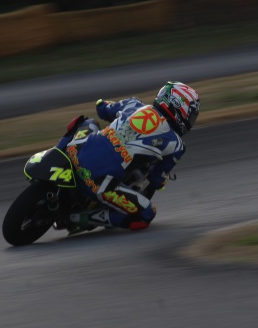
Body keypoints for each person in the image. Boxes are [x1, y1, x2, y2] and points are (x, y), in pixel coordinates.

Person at [56, 81, 200, 231]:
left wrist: (104, 104)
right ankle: (77, 219)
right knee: (147, 214)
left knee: (88, 122)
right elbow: (156, 179)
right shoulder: (176, 144)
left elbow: (102, 109)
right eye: (191, 116)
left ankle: (56, 153)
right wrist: (162, 181)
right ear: (180, 109)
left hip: (75, 153)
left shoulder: (133, 104)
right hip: (97, 184)